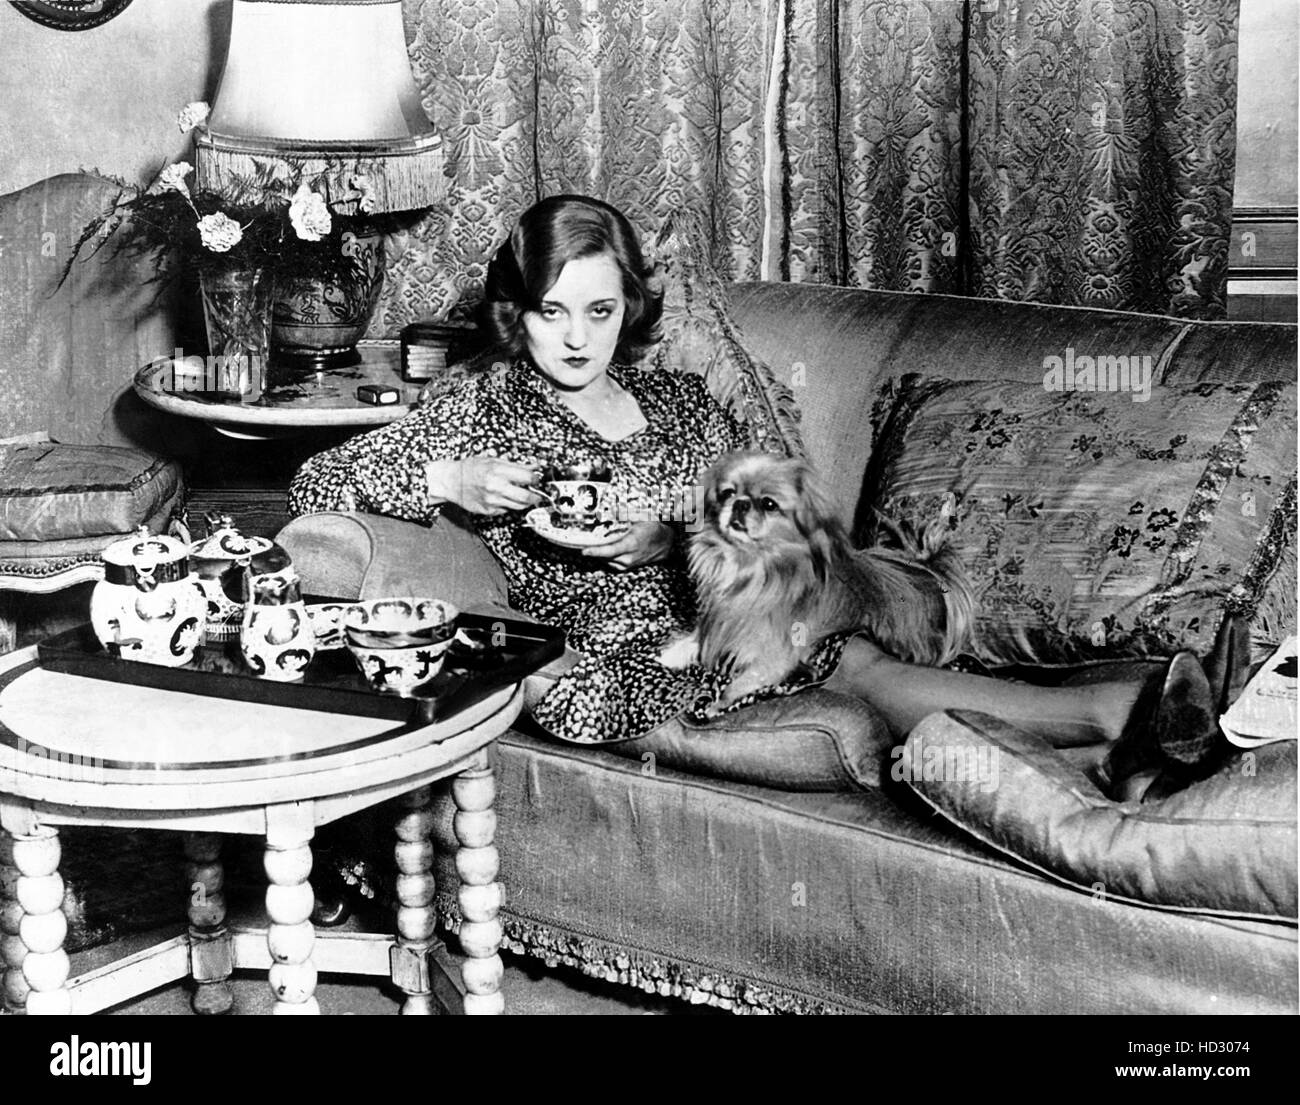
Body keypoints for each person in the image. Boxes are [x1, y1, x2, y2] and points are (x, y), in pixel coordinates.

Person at [289, 193, 1236, 802]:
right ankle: (1116, 719)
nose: (577, 339)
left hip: (735, 605)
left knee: (828, 628)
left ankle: (1112, 721)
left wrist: (665, 540)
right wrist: (448, 480)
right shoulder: (486, 403)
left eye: (600, 310)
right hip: (628, 639)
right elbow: (319, 483)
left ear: (630, 310)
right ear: (517, 310)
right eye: (552, 311)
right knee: (843, 665)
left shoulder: (678, 400)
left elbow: (750, 521)